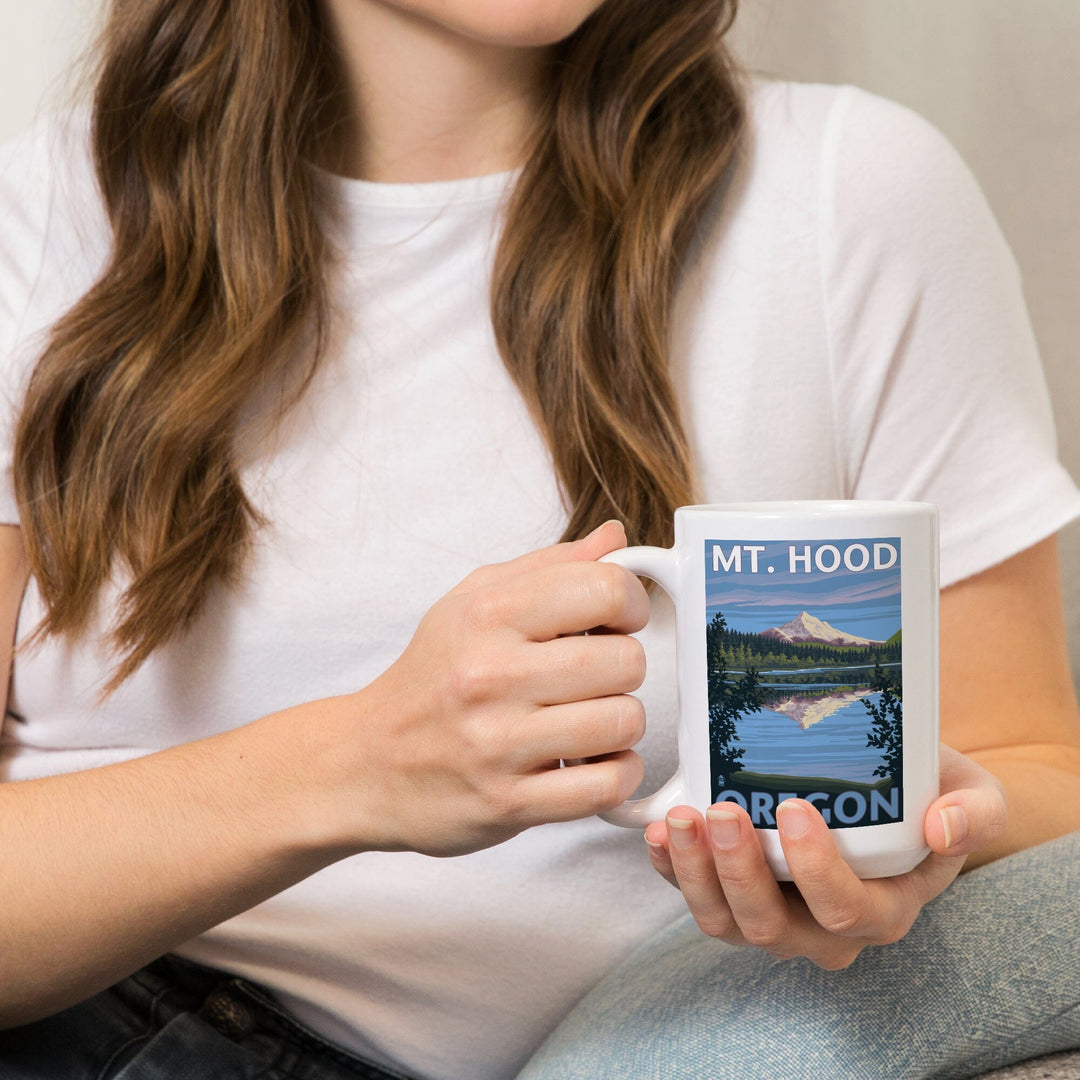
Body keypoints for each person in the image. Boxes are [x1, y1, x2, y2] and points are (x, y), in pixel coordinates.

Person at [0, 1, 1078, 1078]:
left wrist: (927, 849)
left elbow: (1032, 767)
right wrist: (359, 764)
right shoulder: (38, 220)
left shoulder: (853, 195)